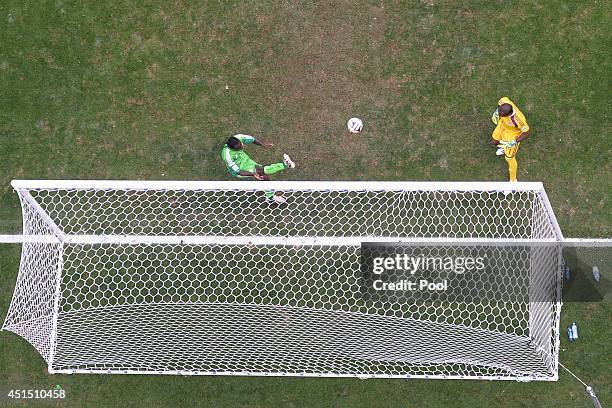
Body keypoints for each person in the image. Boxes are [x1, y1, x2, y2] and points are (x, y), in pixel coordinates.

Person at [490, 97, 531, 182]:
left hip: (512, 135)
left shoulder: (519, 120)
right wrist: (496, 113)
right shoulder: (504, 102)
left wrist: (514, 142)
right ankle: (503, 148)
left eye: (501, 112)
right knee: (494, 141)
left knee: (510, 158)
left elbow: (527, 132)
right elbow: (500, 102)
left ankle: (513, 180)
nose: (499, 112)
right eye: (499, 110)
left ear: (508, 115)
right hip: (502, 126)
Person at [221, 134, 295, 180]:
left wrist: (263, 145)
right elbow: (238, 171)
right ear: (232, 148)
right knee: (260, 170)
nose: (241, 148)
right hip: (240, 168)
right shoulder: (227, 156)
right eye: (239, 148)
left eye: (241, 145)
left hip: (247, 161)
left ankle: (270, 198)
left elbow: (252, 139)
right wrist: (253, 173)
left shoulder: (239, 137)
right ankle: (285, 165)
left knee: (265, 177)